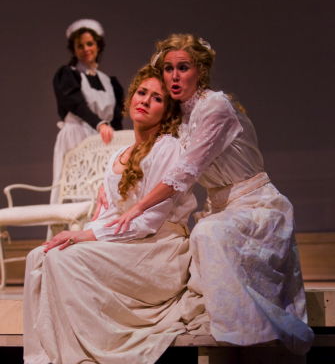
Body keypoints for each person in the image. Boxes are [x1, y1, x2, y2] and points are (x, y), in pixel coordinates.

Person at [106, 34, 314, 354]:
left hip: (257, 206)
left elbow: (186, 171)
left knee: (208, 232)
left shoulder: (214, 106)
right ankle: (233, 334)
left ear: (199, 72)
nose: (174, 76)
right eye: (168, 69)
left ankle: (252, 335)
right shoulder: (182, 119)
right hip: (220, 207)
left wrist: (139, 208)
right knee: (201, 233)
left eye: (183, 67)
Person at [23, 65, 198, 364]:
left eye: (156, 98)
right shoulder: (119, 156)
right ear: (131, 99)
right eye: (142, 93)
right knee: (40, 256)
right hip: (127, 242)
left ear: (167, 110)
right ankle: (50, 355)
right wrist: (84, 234)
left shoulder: (167, 148)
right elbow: (109, 215)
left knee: (65, 260)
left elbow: (148, 221)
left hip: (158, 248)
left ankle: (84, 354)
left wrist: (85, 235)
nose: (145, 100)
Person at [51, 18, 124, 206]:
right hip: (77, 135)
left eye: (89, 44)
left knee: (106, 186)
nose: (85, 49)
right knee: (78, 188)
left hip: (105, 139)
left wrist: (120, 140)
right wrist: (99, 124)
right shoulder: (68, 74)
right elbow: (75, 103)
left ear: (98, 46)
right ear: (74, 49)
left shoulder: (109, 81)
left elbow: (116, 117)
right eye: (80, 45)